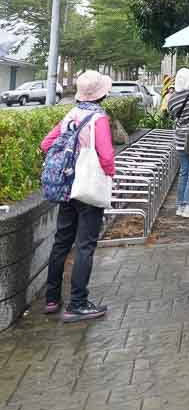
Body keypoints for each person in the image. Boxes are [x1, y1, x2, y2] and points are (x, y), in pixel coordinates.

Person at [41, 70, 116, 322]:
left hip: (66, 187)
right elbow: (106, 156)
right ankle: (78, 303)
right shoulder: (99, 118)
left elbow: (46, 144)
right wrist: (110, 175)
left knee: (62, 242)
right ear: (102, 94)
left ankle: (52, 299)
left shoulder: (71, 114)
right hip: (88, 188)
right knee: (85, 245)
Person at [168, 68, 189, 218]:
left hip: (179, 138)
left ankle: (180, 205)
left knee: (183, 171)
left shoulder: (172, 98)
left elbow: (172, 115)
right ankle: (188, 205)